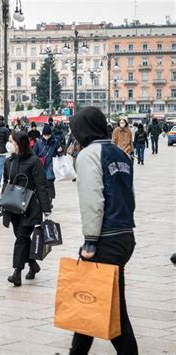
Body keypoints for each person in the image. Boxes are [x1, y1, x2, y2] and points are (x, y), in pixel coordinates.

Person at [69, 106, 138, 355]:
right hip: (124, 235)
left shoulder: (89, 155)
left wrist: (90, 242)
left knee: (114, 312)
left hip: (104, 239)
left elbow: (92, 201)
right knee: (90, 301)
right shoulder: (121, 154)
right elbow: (129, 196)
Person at [3, 131, 52, 286]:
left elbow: (41, 186)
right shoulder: (9, 161)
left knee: (22, 238)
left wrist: (46, 209)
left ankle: (17, 272)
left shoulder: (34, 161)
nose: (9, 144)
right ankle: (33, 264)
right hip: (13, 207)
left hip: (30, 207)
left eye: (12, 141)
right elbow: (6, 183)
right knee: (21, 238)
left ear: (20, 143)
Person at [33, 124, 62, 205]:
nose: (46, 137)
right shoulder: (39, 142)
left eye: (48, 135)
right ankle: (43, 200)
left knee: (49, 182)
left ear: (50, 134)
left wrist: (60, 151)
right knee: (41, 184)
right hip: (40, 166)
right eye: (45, 135)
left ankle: (49, 201)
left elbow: (59, 154)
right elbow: (34, 153)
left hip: (51, 165)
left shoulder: (55, 142)